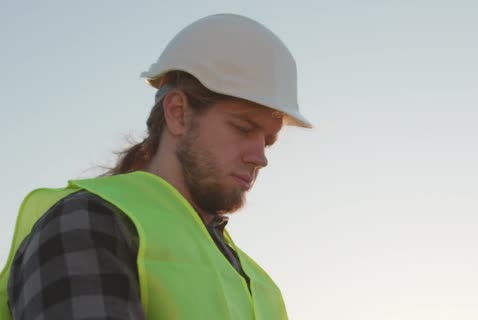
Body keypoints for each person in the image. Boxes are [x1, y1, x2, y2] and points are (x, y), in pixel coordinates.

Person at [0, 13, 312, 320]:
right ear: (178, 113)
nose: (260, 157)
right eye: (243, 128)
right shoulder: (87, 223)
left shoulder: (259, 285)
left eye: (268, 141)